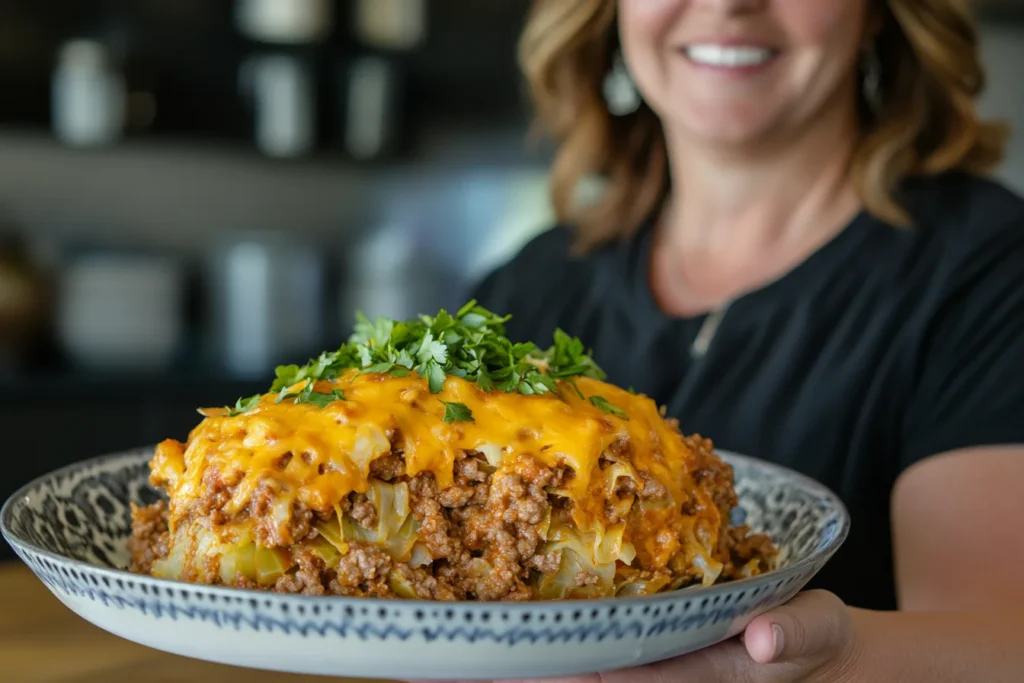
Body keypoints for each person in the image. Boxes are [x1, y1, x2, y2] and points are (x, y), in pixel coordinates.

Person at [457, 0, 1024, 680]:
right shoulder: (525, 289)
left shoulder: (987, 270)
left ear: (877, 13)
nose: (729, 4)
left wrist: (838, 661)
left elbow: (1004, 643)